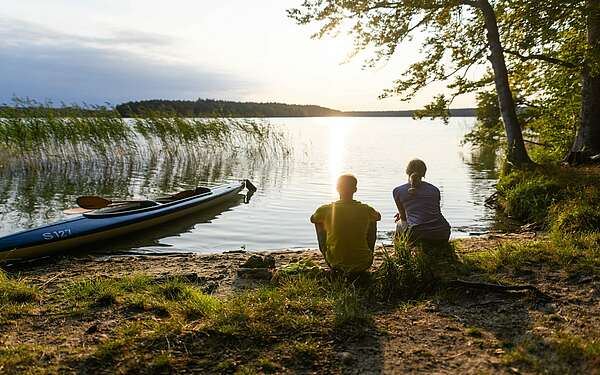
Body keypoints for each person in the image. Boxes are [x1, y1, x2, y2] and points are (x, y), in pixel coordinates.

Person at [310, 174, 381, 273]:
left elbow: (313, 219)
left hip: (334, 263)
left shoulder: (325, 209)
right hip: (364, 263)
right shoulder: (365, 209)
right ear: (355, 189)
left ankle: (327, 251)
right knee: (372, 220)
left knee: (319, 222)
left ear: (337, 189)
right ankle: (369, 251)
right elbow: (378, 217)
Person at [393, 159, 451, 243]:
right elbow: (431, 211)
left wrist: (404, 215)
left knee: (399, 223)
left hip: (418, 234)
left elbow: (403, 218)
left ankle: (400, 252)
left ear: (407, 171)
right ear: (424, 173)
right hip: (443, 232)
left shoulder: (398, 191)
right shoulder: (434, 190)